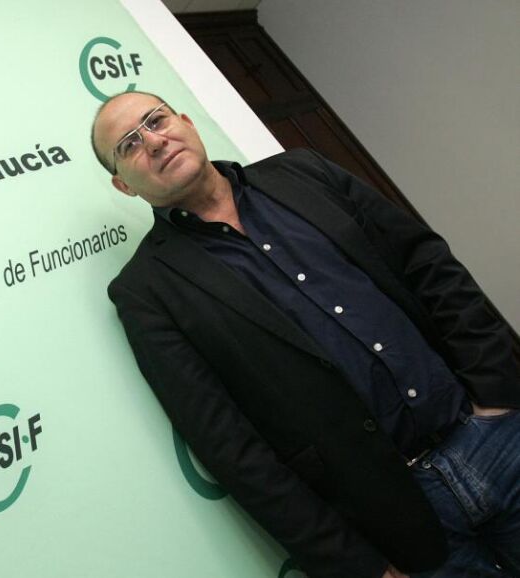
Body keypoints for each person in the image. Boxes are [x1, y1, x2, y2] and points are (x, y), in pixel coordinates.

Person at [91, 90, 520, 578]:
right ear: (123, 185)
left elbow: (427, 263)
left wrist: (497, 394)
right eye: (128, 144)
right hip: (403, 522)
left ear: (185, 120)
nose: (153, 141)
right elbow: (230, 447)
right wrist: (354, 564)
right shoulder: (147, 291)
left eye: (156, 120)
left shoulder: (303, 172)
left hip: (492, 436)